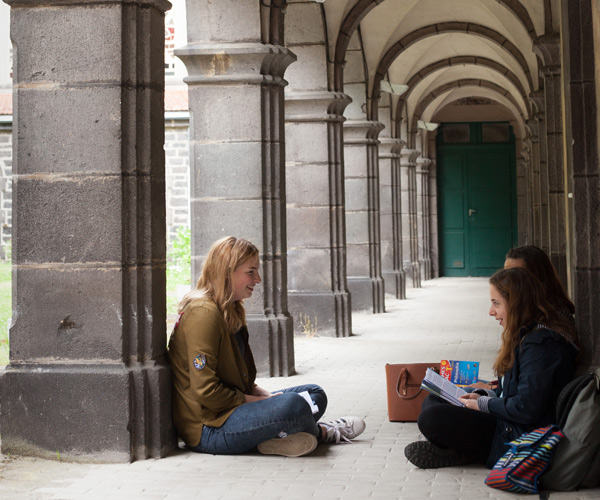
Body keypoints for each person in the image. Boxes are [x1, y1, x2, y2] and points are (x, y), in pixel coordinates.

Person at [168, 236, 366, 457]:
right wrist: (260, 401)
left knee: (314, 394)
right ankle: (322, 433)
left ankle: (276, 439)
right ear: (227, 271)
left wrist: (256, 391)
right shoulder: (203, 313)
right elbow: (206, 391)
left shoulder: (229, 309)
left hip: (232, 411)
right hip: (210, 428)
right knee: (294, 405)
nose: (258, 279)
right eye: (250, 272)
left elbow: (233, 376)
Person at [404, 267, 579, 469]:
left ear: (516, 304)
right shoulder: (527, 335)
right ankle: (460, 451)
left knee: (431, 417)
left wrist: (482, 404)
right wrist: (483, 394)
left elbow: (526, 409)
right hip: (508, 420)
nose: (491, 311)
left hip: (518, 435)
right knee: (434, 398)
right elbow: (513, 390)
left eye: (496, 303)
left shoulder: (541, 345)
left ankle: (467, 452)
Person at [504, 245, 575, 323]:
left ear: (537, 276)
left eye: (517, 274)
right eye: (505, 273)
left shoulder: (549, 316)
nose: (508, 280)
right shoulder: (526, 305)